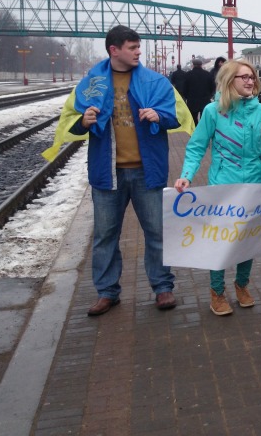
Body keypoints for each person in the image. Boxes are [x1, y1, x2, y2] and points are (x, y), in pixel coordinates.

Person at [49, 25, 193, 316]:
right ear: (114, 50)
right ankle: (107, 292)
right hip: (108, 173)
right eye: (132, 47)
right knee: (105, 236)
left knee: (157, 232)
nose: (138, 52)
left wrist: (159, 115)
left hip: (147, 172)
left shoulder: (155, 81)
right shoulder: (90, 84)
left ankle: (162, 287)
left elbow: (177, 116)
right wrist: (83, 122)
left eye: (138, 46)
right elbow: (71, 121)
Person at [174, 60, 261, 316]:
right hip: (222, 187)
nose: (250, 81)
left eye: (252, 77)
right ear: (229, 81)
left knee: (247, 240)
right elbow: (197, 146)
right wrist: (186, 175)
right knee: (220, 241)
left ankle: (242, 285)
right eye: (244, 77)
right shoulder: (212, 111)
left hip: (253, 186)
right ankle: (216, 292)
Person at [183, 57, 215, 124]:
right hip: (205, 100)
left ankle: (195, 129)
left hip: (192, 101)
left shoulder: (188, 75)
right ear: (201, 65)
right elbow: (212, 87)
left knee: (193, 119)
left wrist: (187, 97)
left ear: (193, 65)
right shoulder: (207, 74)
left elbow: (184, 88)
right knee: (205, 119)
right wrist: (209, 95)